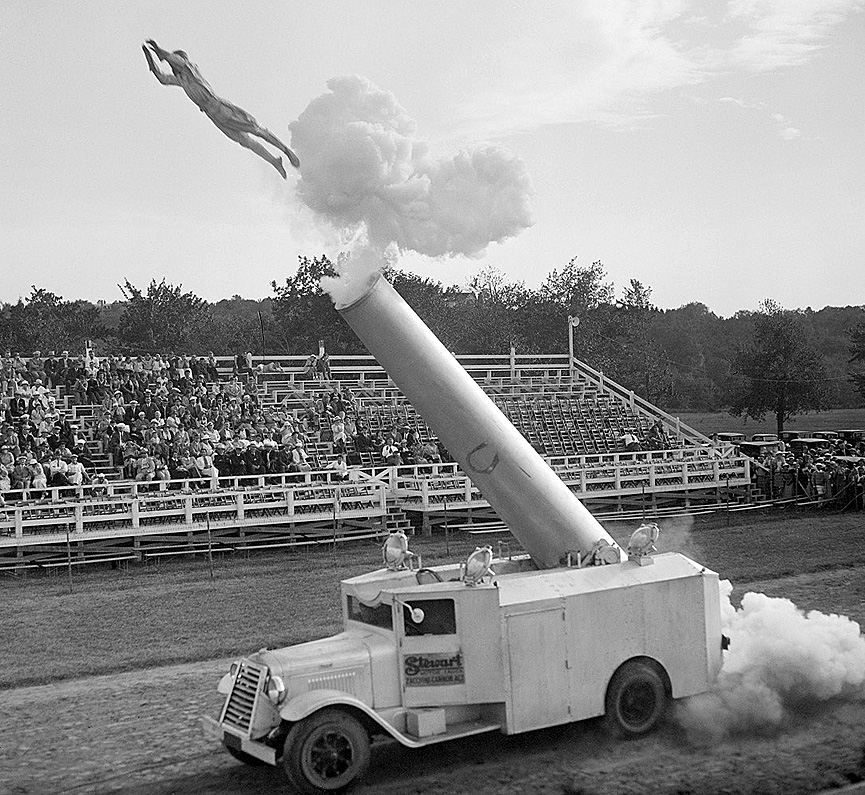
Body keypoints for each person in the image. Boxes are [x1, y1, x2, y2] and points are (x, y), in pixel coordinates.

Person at [142, 40, 300, 178]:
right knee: (244, 141)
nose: (174, 66)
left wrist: (159, 50)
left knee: (256, 129)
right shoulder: (182, 80)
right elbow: (163, 79)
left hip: (220, 107)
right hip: (212, 115)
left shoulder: (191, 68)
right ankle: (274, 161)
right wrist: (150, 58)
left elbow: (177, 61)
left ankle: (286, 150)